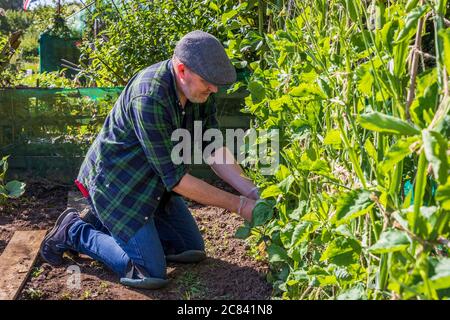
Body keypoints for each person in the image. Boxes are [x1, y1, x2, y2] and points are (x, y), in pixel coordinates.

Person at [39, 30, 260, 289]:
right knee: (149, 272)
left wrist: (251, 191)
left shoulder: (199, 93)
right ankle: (75, 230)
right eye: (207, 81)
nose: (214, 88)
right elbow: (175, 179)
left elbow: (212, 147)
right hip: (117, 185)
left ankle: (111, 225)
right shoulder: (150, 96)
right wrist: (240, 206)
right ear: (181, 69)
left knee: (190, 250)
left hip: (154, 185)